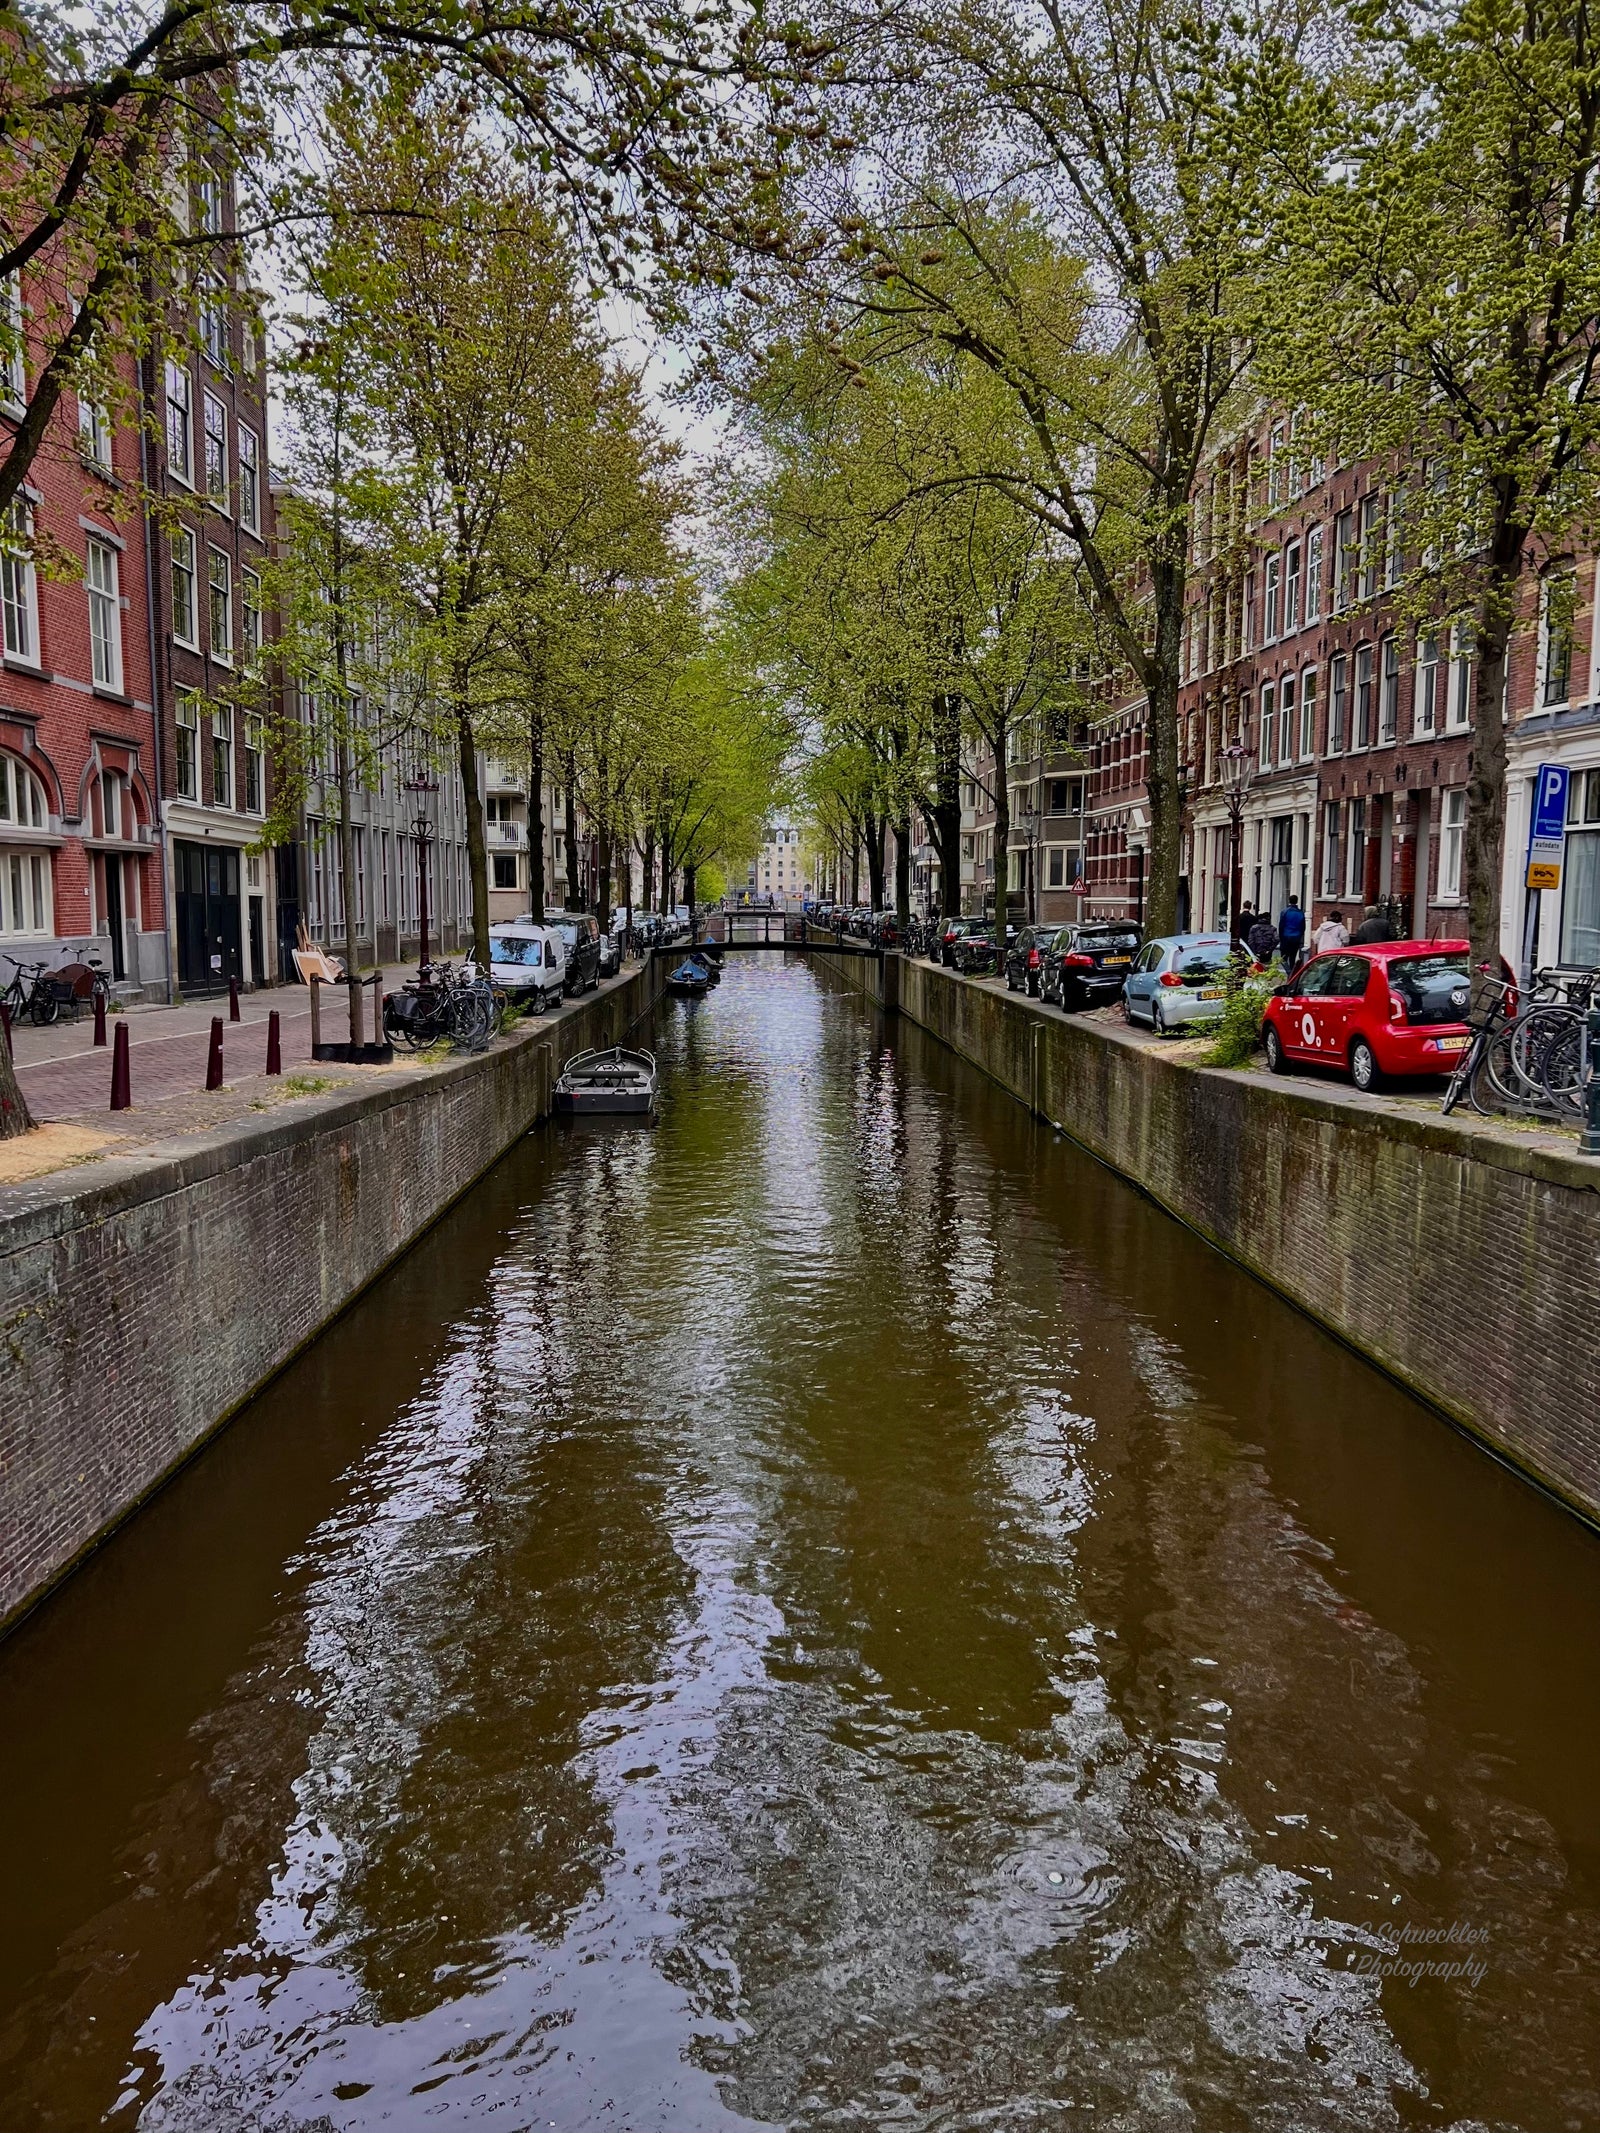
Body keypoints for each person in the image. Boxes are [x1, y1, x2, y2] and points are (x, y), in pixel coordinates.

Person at [1277, 894, 1307, 972]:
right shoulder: (1300, 913)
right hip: (1296, 938)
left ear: (1289, 901)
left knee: (1283, 958)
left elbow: (1281, 926)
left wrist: (1280, 937)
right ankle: (1291, 973)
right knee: (1292, 957)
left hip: (1285, 937)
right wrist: (1300, 936)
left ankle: (1287, 972)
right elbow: (1303, 927)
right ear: (1297, 901)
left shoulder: (1284, 912)